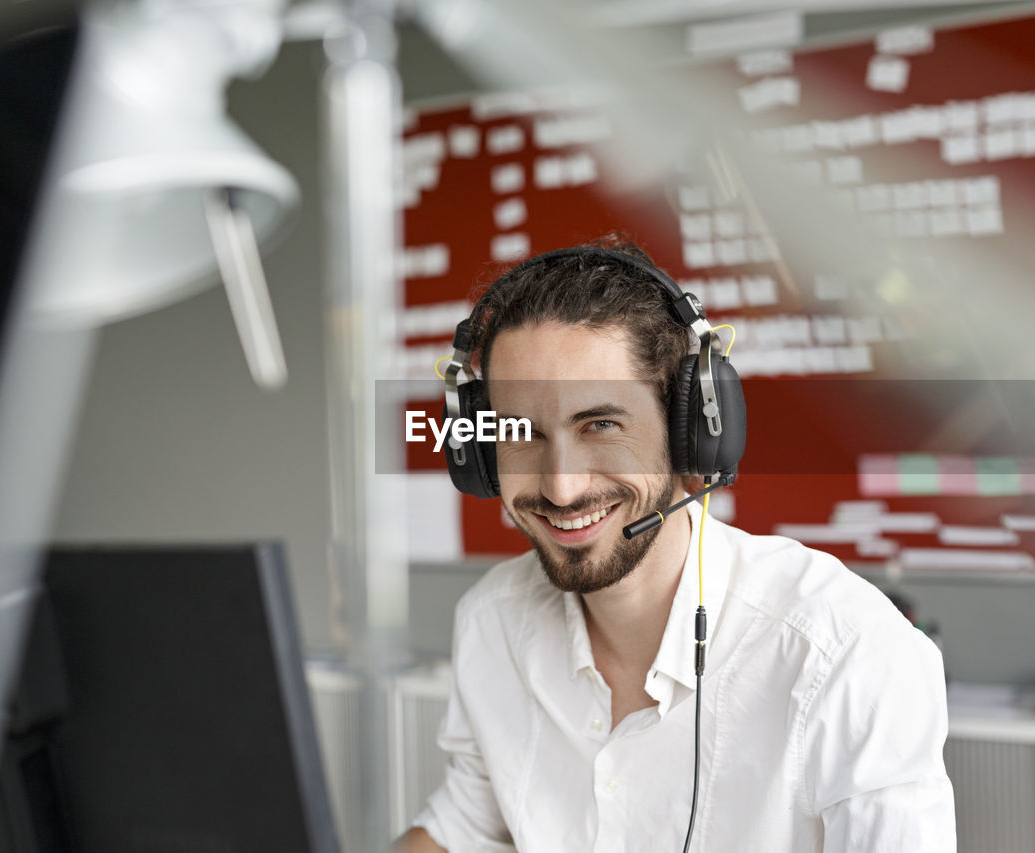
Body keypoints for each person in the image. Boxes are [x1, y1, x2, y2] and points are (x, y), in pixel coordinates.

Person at [396, 239, 955, 852]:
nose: (561, 485)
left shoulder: (842, 651)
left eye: (601, 425)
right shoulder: (492, 621)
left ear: (689, 433)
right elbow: (463, 832)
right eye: (521, 433)